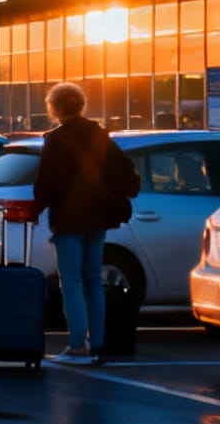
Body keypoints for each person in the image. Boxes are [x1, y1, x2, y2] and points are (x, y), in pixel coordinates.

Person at [30, 81, 139, 365]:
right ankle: (98, 343)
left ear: (55, 108)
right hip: (99, 218)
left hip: (68, 220)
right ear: (80, 105)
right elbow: (126, 173)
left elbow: (45, 184)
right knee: (94, 279)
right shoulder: (100, 135)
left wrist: (35, 209)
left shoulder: (56, 140)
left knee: (72, 282)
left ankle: (78, 344)